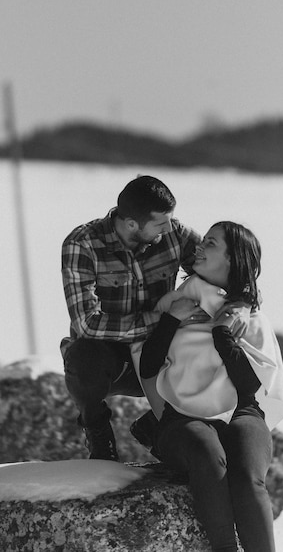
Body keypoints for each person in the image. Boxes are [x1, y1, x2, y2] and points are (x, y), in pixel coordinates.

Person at [136, 221, 283, 552]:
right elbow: (149, 366)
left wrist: (222, 335)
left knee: (249, 479)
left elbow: (252, 387)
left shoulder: (249, 318)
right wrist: (172, 319)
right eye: (202, 241)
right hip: (181, 418)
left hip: (243, 411)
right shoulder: (176, 303)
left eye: (211, 243)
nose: (200, 248)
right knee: (209, 457)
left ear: (233, 259)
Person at [61, 175, 204, 461]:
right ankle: (99, 436)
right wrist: (163, 318)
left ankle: (158, 428)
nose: (169, 228)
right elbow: (87, 323)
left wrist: (244, 290)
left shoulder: (175, 232)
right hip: (113, 360)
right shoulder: (82, 244)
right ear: (131, 225)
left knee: (222, 342)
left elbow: (215, 265)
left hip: (163, 351)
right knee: (81, 358)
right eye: (160, 224)